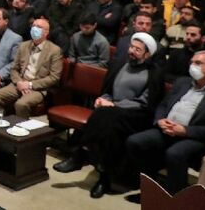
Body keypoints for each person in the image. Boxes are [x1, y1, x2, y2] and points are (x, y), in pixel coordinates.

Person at [53, 32, 164, 199]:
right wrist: (102, 99)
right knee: (107, 122)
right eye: (131, 47)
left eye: (138, 50)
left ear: (147, 54)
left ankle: (80, 155)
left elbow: (145, 102)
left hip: (136, 114)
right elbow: (107, 90)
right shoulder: (119, 64)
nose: (132, 51)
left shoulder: (154, 73)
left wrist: (115, 105)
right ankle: (103, 176)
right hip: (111, 111)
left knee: (107, 118)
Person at [124, 50, 205, 201]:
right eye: (192, 62)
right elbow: (163, 105)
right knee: (135, 142)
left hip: (193, 138)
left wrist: (185, 131)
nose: (192, 66)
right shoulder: (182, 82)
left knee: (175, 154)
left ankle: (173, 199)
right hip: (167, 129)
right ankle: (151, 190)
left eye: (198, 63)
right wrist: (160, 120)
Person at [0, 18, 63, 118]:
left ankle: (21, 131)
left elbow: (54, 77)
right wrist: (19, 82)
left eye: (39, 27)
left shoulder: (55, 51)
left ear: (46, 32)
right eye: (34, 26)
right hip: (19, 83)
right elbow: (14, 68)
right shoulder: (23, 46)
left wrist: (30, 85)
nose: (35, 29)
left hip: (37, 88)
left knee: (21, 104)